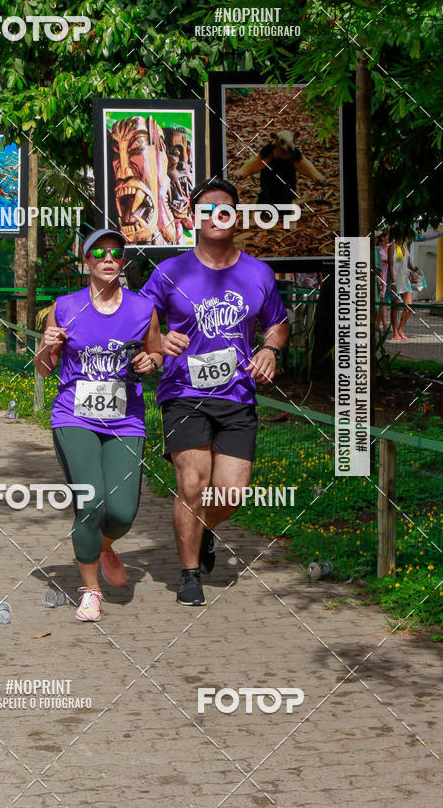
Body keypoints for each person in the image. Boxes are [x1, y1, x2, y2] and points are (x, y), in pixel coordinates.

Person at [140, 178, 290, 607]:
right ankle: (188, 574)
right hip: (183, 391)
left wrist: (269, 348)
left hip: (237, 394)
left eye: (225, 208)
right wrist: (157, 343)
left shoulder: (258, 273)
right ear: (194, 218)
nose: (216, 215)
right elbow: (142, 317)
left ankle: (201, 529)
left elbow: (277, 322)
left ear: (235, 217)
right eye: (207, 209)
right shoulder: (171, 271)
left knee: (231, 493)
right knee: (192, 484)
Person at [34, 229, 163, 622]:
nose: (109, 258)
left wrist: (150, 362)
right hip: (74, 416)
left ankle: (102, 545)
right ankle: (90, 590)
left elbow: (156, 353)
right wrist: (46, 344)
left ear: (122, 263)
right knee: (91, 503)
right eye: (100, 253)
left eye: (116, 254)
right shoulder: (66, 306)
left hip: (125, 419)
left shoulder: (143, 309)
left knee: (122, 512)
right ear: (86, 262)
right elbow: (43, 367)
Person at [388, 231, 417, 341]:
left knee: (408, 306)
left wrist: (415, 269)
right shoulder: (392, 247)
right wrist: (393, 282)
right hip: (396, 278)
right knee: (395, 307)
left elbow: (408, 262)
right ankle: (395, 331)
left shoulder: (405, 246)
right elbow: (391, 265)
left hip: (405, 279)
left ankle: (401, 329)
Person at [375, 231, 390, 332]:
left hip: (385, 276)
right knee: (382, 301)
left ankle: (379, 325)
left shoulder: (388, 248)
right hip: (380, 277)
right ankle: (384, 325)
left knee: (382, 301)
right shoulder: (378, 250)